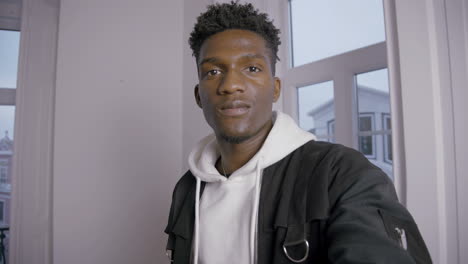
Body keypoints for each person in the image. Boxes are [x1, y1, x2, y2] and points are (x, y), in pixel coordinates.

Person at [164, 1, 432, 263]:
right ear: (199, 95)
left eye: (252, 68)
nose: (231, 84)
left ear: (276, 88)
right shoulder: (187, 187)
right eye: (212, 71)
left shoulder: (342, 174)